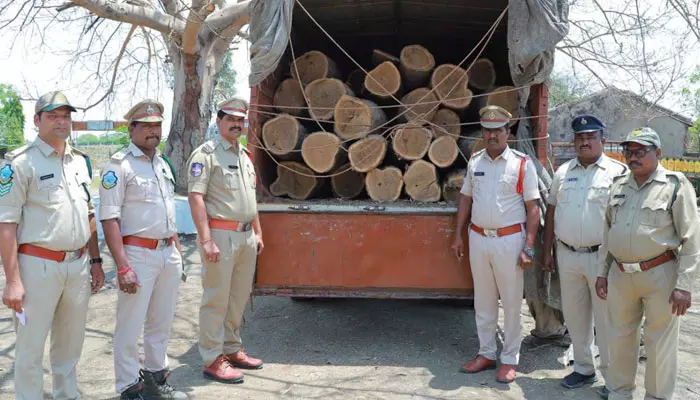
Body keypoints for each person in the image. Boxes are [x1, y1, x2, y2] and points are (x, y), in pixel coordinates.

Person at [0, 91, 105, 399]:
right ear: (37, 121)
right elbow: (6, 225)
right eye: (53, 116)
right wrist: (13, 281)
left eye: (66, 116)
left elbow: (88, 215)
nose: (62, 122)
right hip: (37, 267)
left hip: (78, 264)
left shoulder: (79, 161)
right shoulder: (20, 164)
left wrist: (96, 262)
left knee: (70, 346)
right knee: (31, 349)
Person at [595, 127, 700, 399]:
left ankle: (656, 396)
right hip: (619, 274)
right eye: (629, 151)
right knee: (619, 338)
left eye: (640, 151)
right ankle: (619, 392)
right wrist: (602, 272)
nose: (633, 157)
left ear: (658, 153)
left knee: (659, 342)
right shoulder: (619, 185)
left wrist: (684, 286)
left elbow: (691, 240)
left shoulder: (676, 185)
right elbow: (608, 234)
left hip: (660, 275)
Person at [99, 100, 188, 399]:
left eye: (157, 125)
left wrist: (174, 245)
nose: (153, 131)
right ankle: (127, 386)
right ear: (131, 128)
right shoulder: (118, 165)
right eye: (146, 125)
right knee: (130, 325)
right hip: (137, 255)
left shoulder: (163, 163)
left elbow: (165, 210)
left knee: (161, 322)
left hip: (166, 252)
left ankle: (155, 378)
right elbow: (109, 217)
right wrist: (122, 265)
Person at [451, 105, 541, 384]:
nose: (492, 135)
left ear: (508, 132)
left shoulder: (522, 163)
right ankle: (487, 352)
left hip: (509, 240)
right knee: (484, 300)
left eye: (498, 130)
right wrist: (458, 234)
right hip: (478, 238)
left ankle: (510, 358)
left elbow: (533, 207)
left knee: (512, 302)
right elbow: (466, 199)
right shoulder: (475, 162)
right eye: (487, 130)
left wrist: (529, 246)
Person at [542, 115, 627, 396]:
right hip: (567, 255)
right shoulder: (563, 171)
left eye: (591, 136)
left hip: (603, 258)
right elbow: (551, 211)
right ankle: (582, 368)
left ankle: (613, 380)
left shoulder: (617, 173)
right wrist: (548, 252)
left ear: (602, 139)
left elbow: (624, 218)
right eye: (580, 137)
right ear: (574, 141)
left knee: (606, 321)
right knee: (576, 317)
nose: (585, 141)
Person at [187, 95, 264, 383]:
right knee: (216, 299)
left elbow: (250, 198)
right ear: (218, 121)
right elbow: (196, 197)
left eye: (240, 120)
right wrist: (206, 240)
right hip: (220, 235)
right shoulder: (206, 155)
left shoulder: (243, 156)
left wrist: (258, 231)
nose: (235, 124)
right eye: (230, 119)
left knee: (237, 298)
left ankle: (231, 349)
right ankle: (211, 358)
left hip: (245, 237)